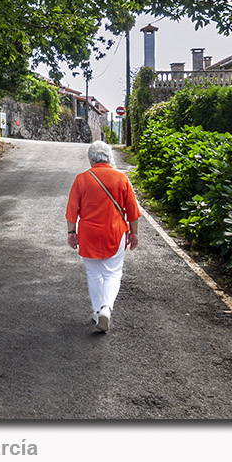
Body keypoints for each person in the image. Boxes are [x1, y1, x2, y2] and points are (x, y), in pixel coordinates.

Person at [65, 140, 141, 333]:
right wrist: (134, 233)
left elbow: (72, 210)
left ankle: (98, 311)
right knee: (113, 273)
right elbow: (132, 210)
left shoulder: (82, 179)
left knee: (93, 274)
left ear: (91, 159)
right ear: (109, 157)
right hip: (115, 233)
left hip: (88, 234)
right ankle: (106, 308)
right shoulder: (121, 179)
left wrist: (71, 232)